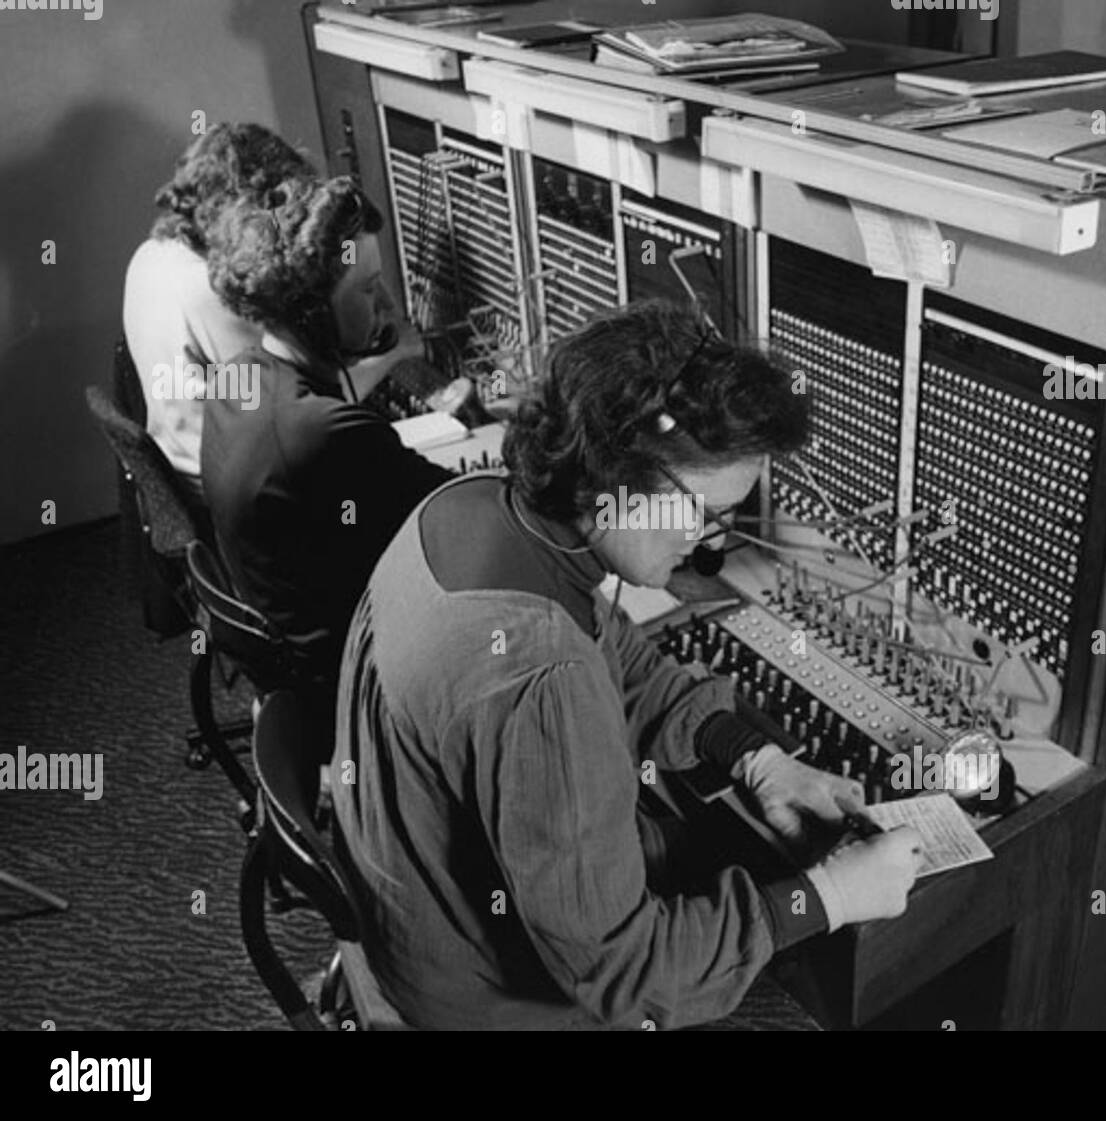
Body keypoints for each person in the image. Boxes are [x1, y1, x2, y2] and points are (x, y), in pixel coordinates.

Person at [330, 301, 922, 1030]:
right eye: (703, 511)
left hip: (418, 919)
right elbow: (628, 974)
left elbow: (626, 660)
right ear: (616, 470)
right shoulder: (543, 676)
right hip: (483, 995)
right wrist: (828, 895)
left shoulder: (473, 507)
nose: (708, 544)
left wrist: (758, 759)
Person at [201, 176, 456, 745]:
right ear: (313, 313)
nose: (386, 303)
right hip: (356, 686)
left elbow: (315, 425)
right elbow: (464, 509)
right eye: (368, 289)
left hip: (296, 671)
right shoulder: (323, 433)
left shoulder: (240, 374)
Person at [122, 123, 315, 497]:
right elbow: (281, 415)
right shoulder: (212, 288)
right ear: (252, 205)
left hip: (181, 462)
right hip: (228, 489)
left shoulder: (150, 253)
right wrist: (398, 352)